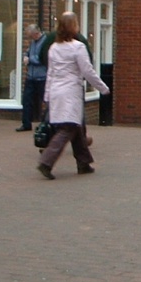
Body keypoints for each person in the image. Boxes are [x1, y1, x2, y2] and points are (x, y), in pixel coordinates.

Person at [36, 12, 109, 179]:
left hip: (56, 91)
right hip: (70, 92)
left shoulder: (54, 48)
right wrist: (102, 88)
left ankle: (84, 163)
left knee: (76, 128)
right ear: (74, 26)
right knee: (67, 128)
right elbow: (87, 71)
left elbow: (51, 73)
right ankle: (46, 162)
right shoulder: (78, 47)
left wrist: (47, 96)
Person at [17, 24, 48, 132]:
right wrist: (26, 55)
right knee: (26, 100)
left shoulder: (46, 42)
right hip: (31, 76)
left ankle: (46, 123)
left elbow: (43, 58)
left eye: (31, 36)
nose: (30, 38)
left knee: (46, 100)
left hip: (42, 77)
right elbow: (28, 51)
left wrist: (30, 60)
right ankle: (26, 123)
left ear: (36, 33)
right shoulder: (33, 42)